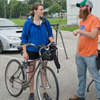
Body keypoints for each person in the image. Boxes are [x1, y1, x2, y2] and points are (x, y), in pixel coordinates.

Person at [21, 2, 54, 100]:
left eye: (43, 9)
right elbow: (24, 39)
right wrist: (25, 52)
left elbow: (50, 34)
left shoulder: (45, 21)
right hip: (31, 49)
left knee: (43, 71)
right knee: (31, 72)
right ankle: (31, 93)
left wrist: (53, 42)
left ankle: (45, 92)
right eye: (41, 9)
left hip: (43, 49)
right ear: (35, 11)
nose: (43, 11)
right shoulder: (28, 23)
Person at [69, 0, 100, 100]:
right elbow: (81, 37)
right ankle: (80, 95)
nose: (80, 9)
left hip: (90, 54)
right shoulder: (82, 21)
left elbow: (93, 35)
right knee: (81, 75)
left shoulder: (95, 19)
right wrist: (77, 51)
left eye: (82, 7)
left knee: (96, 77)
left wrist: (78, 30)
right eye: (80, 7)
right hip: (80, 54)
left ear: (89, 7)